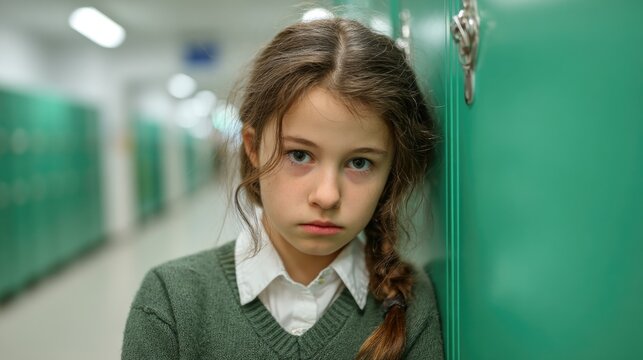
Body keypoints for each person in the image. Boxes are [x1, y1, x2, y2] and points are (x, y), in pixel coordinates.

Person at [122, 17, 443, 360]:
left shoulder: (411, 303)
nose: (327, 195)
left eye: (360, 162)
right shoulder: (172, 302)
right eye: (300, 155)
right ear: (253, 147)